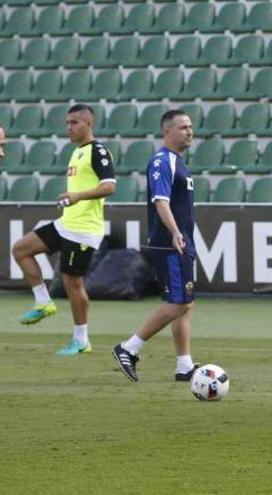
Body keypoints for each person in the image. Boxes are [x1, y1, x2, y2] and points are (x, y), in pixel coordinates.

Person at [12, 104, 116, 356]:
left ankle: (81, 340)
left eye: (74, 123)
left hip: (83, 230)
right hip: (66, 224)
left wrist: (77, 196)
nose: (69, 127)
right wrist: (71, 199)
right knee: (21, 249)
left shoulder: (98, 151)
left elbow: (109, 187)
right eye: (67, 123)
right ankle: (43, 302)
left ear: (89, 124)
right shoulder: (76, 153)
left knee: (72, 282)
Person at [112, 110, 199, 383]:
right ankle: (129, 348)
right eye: (183, 127)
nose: (189, 131)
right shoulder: (162, 161)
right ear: (167, 131)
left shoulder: (177, 161)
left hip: (181, 241)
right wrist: (174, 232)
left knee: (187, 303)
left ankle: (184, 365)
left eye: (191, 127)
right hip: (170, 243)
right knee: (178, 302)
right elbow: (160, 201)